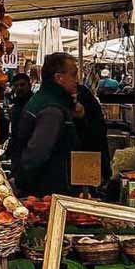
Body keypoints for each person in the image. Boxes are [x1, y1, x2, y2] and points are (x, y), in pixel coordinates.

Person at [12, 52, 79, 196]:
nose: (77, 80)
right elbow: (36, 154)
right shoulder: (52, 109)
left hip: (44, 188)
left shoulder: (45, 100)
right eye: (73, 74)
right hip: (48, 191)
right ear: (59, 78)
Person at [74, 81, 111, 182]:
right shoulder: (83, 93)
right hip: (92, 149)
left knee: (88, 185)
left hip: (89, 150)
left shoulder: (81, 94)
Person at [5, 73, 33, 160]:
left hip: (29, 150)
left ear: (29, 85)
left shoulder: (33, 104)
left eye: (22, 85)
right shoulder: (16, 104)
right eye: (16, 86)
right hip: (17, 151)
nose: (19, 88)